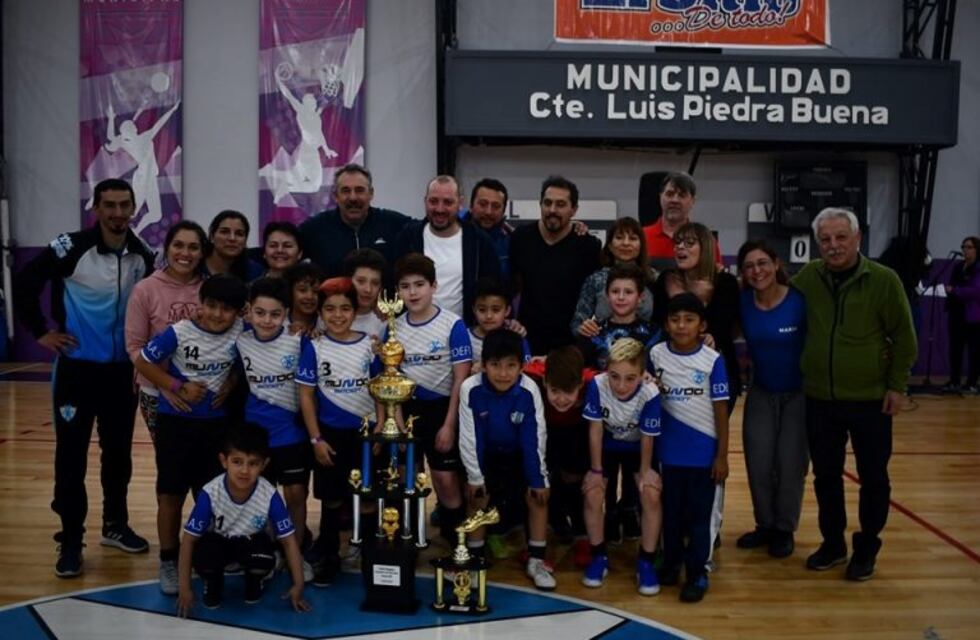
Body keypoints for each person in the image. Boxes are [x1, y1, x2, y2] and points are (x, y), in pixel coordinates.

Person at [13, 178, 155, 577]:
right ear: (95, 208)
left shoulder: (142, 253)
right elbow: (25, 282)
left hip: (121, 375)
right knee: (71, 458)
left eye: (124, 205)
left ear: (133, 208)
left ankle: (115, 525)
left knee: (118, 455)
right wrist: (41, 330)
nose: (117, 213)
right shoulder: (70, 247)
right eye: (108, 205)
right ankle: (71, 539)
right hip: (76, 372)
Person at [792, 207, 916, 582]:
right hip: (819, 399)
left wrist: (896, 386)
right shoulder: (808, 278)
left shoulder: (884, 280)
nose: (833, 246)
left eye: (841, 237)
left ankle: (866, 547)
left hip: (870, 400)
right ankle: (833, 544)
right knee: (826, 476)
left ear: (858, 238)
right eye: (825, 240)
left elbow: (905, 338)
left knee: (873, 477)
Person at [134, 274, 247, 595]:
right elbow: (143, 361)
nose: (216, 314)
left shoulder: (241, 332)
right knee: (170, 495)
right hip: (177, 424)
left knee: (211, 494)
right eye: (211, 305)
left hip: (217, 427)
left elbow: (251, 356)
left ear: (238, 312)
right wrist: (175, 385)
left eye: (226, 309)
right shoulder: (179, 332)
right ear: (201, 303)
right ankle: (168, 559)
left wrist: (233, 380)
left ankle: (209, 552)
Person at [176, 425, 311, 616]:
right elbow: (188, 540)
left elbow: (289, 541)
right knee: (205, 556)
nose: (244, 470)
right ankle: (213, 582)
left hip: (251, 543)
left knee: (264, 558)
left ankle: (254, 580)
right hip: (218, 543)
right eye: (237, 462)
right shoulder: (210, 493)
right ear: (224, 461)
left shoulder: (269, 495)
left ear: (264, 465)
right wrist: (185, 588)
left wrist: (298, 585)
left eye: (253, 463)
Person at [297, 277, 380, 586]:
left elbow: (379, 390)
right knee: (331, 499)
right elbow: (306, 396)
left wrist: (380, 432)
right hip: (329, 435)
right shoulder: (314, 347)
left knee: (369, 497)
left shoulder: (370, 344)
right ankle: (329, 555)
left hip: (365, 433)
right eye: (329, 309)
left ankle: (371, 554)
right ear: (320, 312)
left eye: (345, 308)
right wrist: (316, 438)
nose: (337, 315)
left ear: (355, 310)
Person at [458, 329, 555, 591]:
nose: (503, 373)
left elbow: (534, 438)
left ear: (521, 365)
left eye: (511, 366)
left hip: (517, 454)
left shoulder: (529, 390)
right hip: (486, 454)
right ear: (484, 365)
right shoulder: (471, 388)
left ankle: (536, 559)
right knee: (477, 495)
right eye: (496, 365)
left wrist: (538, 479)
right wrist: (475, 478)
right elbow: (470, 437)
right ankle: (475, 557)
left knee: (538, 495)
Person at [649, 293, 730, 603]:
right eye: (675, 319)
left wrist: (721, 455)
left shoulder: (712, 360)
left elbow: (721, 409)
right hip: (668, 455)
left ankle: (698, 572)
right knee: (670, 515)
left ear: (702, 325)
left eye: (689, 319)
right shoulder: (656, 355)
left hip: (703, 457)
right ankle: (671, 564)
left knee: (700, 519)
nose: (681, 326)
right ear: (666, 324)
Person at [390, 253, 472, 542]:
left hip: (443, 411)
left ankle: (456, 543)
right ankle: (408, 540)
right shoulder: (394, 328)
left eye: (419, 284)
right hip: (408, 412)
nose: (412, 292)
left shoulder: (453, 325)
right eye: (405, 286)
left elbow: (461, 381)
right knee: (405, 479)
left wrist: (449, 425)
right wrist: (398, 424)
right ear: (398, 291)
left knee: (446, 480)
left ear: (433, 286)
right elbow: (393, 381)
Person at [735, 240, 808, 559]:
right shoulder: (742, 303)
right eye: (749, 266)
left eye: (763, 263)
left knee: (790, 465)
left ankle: (784, 528)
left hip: (799, 395)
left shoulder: (800, 301)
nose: (757, 271)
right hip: (762, 391)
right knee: (759, 462)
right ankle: (765, 524)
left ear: (777, 264)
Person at [580, 338, 663, 596]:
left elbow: (648, 437)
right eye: (614, 376)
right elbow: (594, 430)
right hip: (606, 448)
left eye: (630, 378)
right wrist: (595, 472)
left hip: (638, 449)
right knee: (593, 494)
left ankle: (646, 561)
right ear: (606, 370)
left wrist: (646, 471)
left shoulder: (650, 393)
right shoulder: (597, 385)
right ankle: (598, 557)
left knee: (650, 494)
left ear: (642, 374)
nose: (621, 385)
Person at [237, 278, 310, 560]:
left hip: (291, 432)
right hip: (255, 434)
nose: (267, 320)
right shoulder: (240, 338)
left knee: (295, 494)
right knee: (260, 497)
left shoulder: (299, 339)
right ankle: (265, 552)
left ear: (287, 313)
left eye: (275, 314)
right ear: (249, 311)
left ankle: (297, 553)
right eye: (260, 313)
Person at [125, 221, 207, 443]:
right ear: (167, 248)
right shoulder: (145, 289)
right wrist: (169, 385)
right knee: (169, 464)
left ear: (202, 253)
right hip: (156, 392)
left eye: (193, 247)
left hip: (203, 392)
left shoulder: (210, 289)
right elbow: (134, 349)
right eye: (178, 245)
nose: (185, 253)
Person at [652, 222, 740, 412]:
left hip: (715, 371)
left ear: (706, 248)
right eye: (678, 243)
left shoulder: (725, 282)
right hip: (673, 370)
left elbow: (724, 328)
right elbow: (658, 322)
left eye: (689, 243)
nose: (681, 247)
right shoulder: (667, 279)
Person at [510, 176, 601, 355]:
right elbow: (512, 286)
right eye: (547, 203)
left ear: (574, 209)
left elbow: (594, 297)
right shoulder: (521, 238)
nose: (552, 210)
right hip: (526, 342)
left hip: (570, 346)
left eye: (560, 204)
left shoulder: (588, 246)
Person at [392, 175, 500, 323]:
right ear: (425, 201)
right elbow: (393, 284)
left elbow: (494, 290)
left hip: (463, 332)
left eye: (448, 202)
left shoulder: (479, 242)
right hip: (414, 332)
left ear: (460, 203)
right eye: (433, 201)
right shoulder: (408, 238)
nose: (440, 209)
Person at [523, 347, 596, 567]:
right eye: (555, 390)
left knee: (574, 481)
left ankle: (582, 536)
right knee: (539, 483)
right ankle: (538, 542)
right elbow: (509, 369)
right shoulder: (531, 375)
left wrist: (646, 376)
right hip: (544, 432)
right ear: (544, 382)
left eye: (569, 392)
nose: (562, 399)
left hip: (576, 433)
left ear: (580, 385)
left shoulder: (594, 381)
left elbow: (617, 372)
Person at [298, 163, 411, 276]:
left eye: (359, 190)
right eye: (346, 191)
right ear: (335, 196)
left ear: (371, 193)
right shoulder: (315, 229)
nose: (353, 198)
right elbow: (286, 254)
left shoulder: (393, 224)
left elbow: (425, 229)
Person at [573, 216, 655, 338]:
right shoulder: (595, 280)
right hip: (603, 349)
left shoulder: (653, 278)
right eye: (619, 237)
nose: (626, 243)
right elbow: (577, 324)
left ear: (641, 245)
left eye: (632, 238)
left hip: (645, 347)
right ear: (610, 245)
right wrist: (583, 328)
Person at [577, 262, 661, 371]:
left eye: (628, 292)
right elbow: (581, 374)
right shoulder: (592, 332)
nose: (621, 297)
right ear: (607, 295)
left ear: (640, 297)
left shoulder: (655, 334)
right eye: (615, 291)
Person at [643, 172, 722, 270]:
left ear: (693, 201)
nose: (675, 200)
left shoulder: (707, 242)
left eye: (682, 195)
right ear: (660, 197)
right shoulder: (641, 237)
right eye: (669, 194)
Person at [468, 277, 530, 371]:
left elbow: (527, 369)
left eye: (496, 310)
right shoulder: (465, 337)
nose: (489, 316)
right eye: (482, 310)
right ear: (474, 309)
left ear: (507, 310)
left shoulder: (515, 335)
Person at [943, 236, 980, 394]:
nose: (965, 250)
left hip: (973, 316)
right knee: (955, 350)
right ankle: (954, 381)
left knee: (974, 351)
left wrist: (956, 291)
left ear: (976, 249)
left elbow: (976, 291)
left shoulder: (978, 268)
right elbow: (951, 285)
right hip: (956, 314)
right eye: (964, 246)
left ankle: (972, 383)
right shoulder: (958, 266)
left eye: (969, 247)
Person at [460, 178, 514, 280]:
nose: (488, 211)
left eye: (496, 206)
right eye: (483, 204)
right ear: (471, 206)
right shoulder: (453, 235)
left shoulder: (512, 242)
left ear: (503, 211)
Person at [203, 210, 264, 282]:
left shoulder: (255, 273)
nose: (232, 238)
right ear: (212, 237)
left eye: (239, 234)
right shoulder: (195, 267)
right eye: (225, 232)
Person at [343, 248, 387, 339]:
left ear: (381, 288)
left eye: (375, 283)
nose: (368, 289)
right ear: (347, 281)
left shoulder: (384, 323)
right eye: (361, 281)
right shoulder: (328, 317)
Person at [283, 262, 324, 336]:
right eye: (302, 290)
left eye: (315, 291)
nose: (309, 296)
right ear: (290, 291)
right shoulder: (278, 321)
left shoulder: (327, 324)